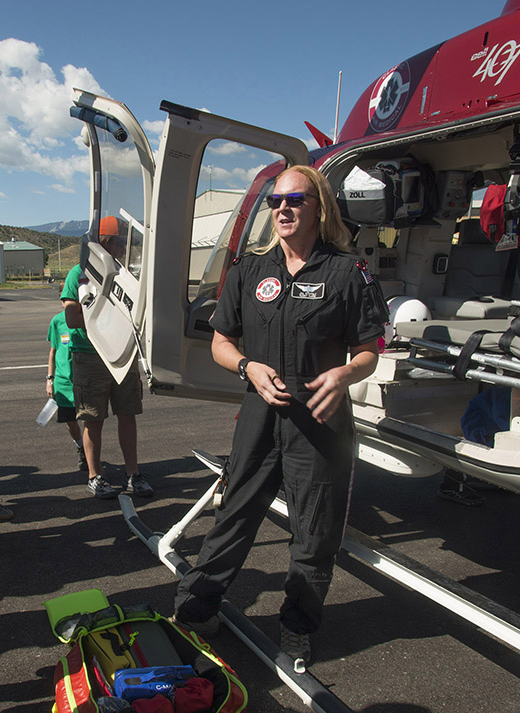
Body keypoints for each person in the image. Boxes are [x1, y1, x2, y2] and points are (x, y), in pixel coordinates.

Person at [172, 165, 386, 670]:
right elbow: (223, 342)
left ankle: (296, 628)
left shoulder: (347, 273)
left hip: (320, 420)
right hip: (259, 415)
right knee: (233, 515)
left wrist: (345, 375)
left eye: (295, 199)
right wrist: (247, 365)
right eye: (275, 201)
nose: (283, 208)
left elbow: (369, 348)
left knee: (315, 533)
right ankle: (195, 611)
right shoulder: (250, 271)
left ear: (319, 207)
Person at [60, 216, 154, 499]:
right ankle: (95, 476)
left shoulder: (127, 276)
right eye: (120, 243)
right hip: (90, 356)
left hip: (122, 355)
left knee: (128, 414)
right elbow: (71, 316)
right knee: (93, 418)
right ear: (105, 243)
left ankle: (132, 474)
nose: (124, 249)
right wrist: (108, 326)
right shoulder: (79, 274)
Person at [47, 309, 86, 471]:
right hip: (64, 382)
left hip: (85, 380)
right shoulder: (57, 321)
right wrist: (50, 379)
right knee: (70, 421)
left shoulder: (87, 318)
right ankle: (81, 447)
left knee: (89, 419)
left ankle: (91, 454)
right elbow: (53, 351)